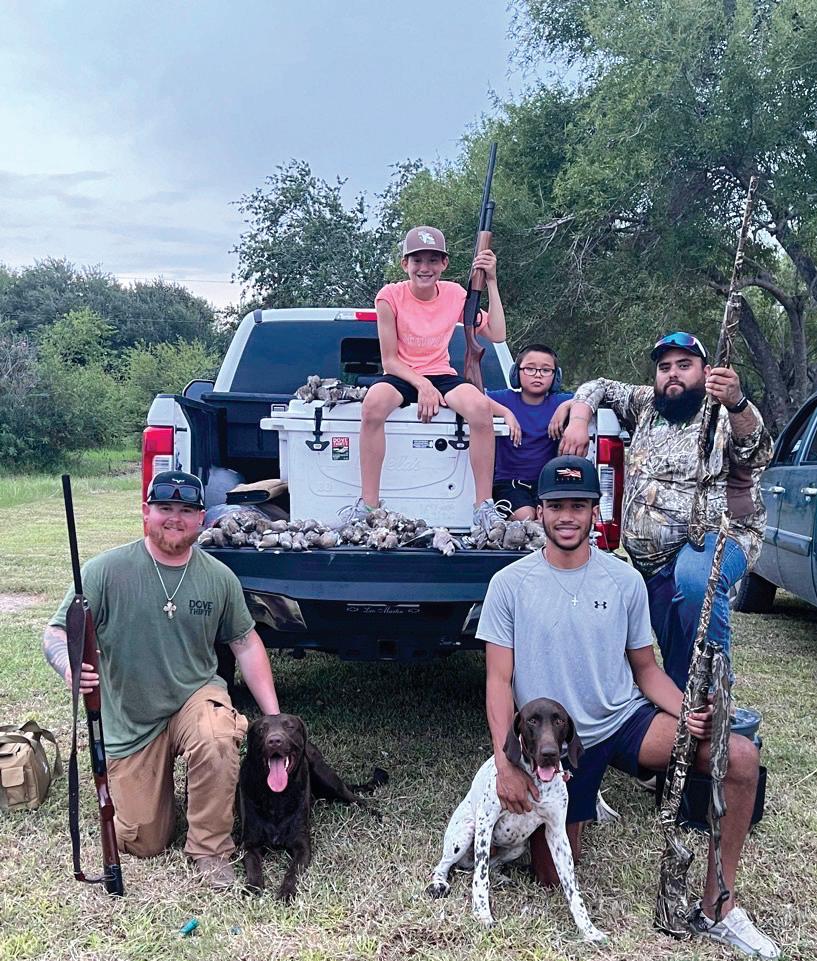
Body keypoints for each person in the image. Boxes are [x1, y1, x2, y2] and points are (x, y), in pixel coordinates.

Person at [478, 455, 779, 959]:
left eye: (579, 506)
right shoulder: (509, 584)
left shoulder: (623, 581)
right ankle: (580, 800)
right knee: (550, 877)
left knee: (740, 757)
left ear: (595, 511)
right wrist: (506, 763)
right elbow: (498, 681)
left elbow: (646, 670)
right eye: (557, 506)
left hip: (622, 720)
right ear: (541, 511)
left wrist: (685, 710)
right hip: (555, 741)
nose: (567, 517)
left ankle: (719, 907)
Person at [43, 471, 280, 890]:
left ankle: (210, 848)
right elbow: (57, 632)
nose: (175, 518)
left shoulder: (219, 577)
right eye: (165, 508)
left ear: (202, 518)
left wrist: (274, 717)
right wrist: (68, 665)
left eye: (186, 510)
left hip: (195, 695)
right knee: (144, 839)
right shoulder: (105, 571)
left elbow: (245, 643)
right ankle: (153, 795)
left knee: (216, 735)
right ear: (145, 512)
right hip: (132, 719)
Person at [555, 332, 772, 688]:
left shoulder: (724, 411)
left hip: (716, 536)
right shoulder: (646, 405)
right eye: (665, 367)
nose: (673, 373)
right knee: (676, 658)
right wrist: (579, 416)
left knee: (696, 582)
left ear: (707, 372)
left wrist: (737, 402)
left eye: (684, 366)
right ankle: (687, 708)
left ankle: (716, 693)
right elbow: (600, 386)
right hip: (652, 561)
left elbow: (757, 452)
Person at [349, 225, 508, 532]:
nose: (425, 267)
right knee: (373, 405)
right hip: (402, 374)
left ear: (444, 264)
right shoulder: (389, 296)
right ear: (404, 264)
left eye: (433, 260)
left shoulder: (456, 294)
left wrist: (491, 280)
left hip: (442, 373)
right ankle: (368, 506)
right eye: (417, 260)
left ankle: (483, 506)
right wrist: (422, 385)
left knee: (480, 408)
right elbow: (389, 360)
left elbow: (498, 334)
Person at [487, 343, 573, 520]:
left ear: (556, 376)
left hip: (548, 483)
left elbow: (592, 396)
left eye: (546, 370)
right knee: (526, 517)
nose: (538, 375)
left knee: (549, 519)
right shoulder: (504, 399)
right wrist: (505, 413)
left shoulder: (558, 402)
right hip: (508, 484)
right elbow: (474, 398)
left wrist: (566, 406)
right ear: (516, 373)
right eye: (530, 369)